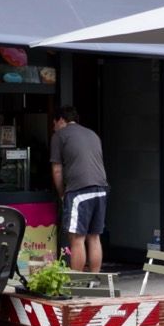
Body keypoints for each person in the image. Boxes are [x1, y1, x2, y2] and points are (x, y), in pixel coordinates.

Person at [51, 106, 108, 272]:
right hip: (101, 188)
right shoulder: (92, 134)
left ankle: (76, 282)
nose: (53, 127)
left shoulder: (59, 135)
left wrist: (62, 193)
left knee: (76, 239)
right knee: (94, 237)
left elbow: (57, 169)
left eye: (54, 123)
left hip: (79, 190)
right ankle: (94, 280)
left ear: (61, 120)